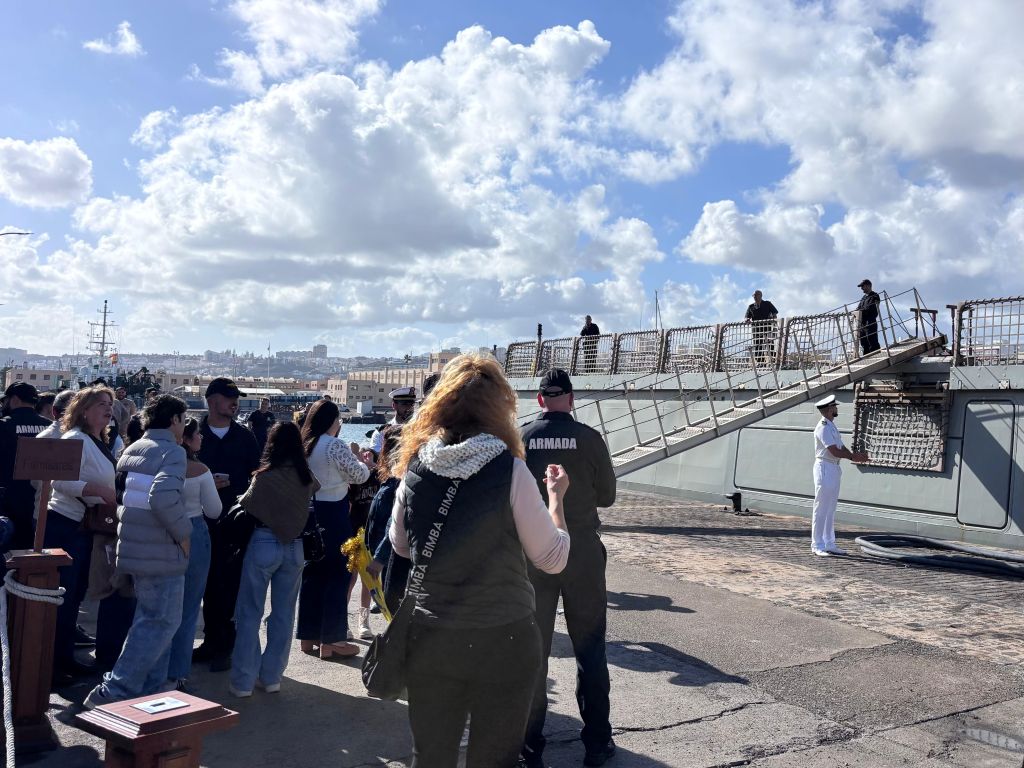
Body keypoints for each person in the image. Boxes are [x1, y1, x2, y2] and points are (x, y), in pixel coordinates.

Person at [389, 353, 571, 767]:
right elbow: (552, 558)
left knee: (430, 756)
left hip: (433, 637)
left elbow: (400, 545)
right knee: (494, 759)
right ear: (499, 408)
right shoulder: (510, 470)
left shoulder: (416, 467)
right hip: (502, 636)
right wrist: (557, 501)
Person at [520, 369, 618, 768]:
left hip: (533, 553)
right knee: (590, 647)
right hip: (581, 553)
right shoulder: (591, 438)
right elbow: (608, 497)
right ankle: (597, 743)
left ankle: (530, 748)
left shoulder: (522, 438)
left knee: (532, 651)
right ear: (572, 399)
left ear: (540, 400)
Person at [85, 395, 192, 708]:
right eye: (183, 420)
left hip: (133, 547)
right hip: (160, 551)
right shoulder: (173, 452)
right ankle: (114, 690)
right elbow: (162, 497)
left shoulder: (132, 449)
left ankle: (151, 694)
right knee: (161, 624)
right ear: (174, 421)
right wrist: (184, 535)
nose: (184, 426)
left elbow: (126, 496)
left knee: (149, 622)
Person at [229, 422, 318, 697]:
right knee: (283, 615)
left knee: (249, 613)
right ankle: (272, 677)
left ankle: (243, 682)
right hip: (295, 548)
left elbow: (248, 504)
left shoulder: (264, 476)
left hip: (263, 543)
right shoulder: (306, 477)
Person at [41, 385, 117, 686]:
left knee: (74, 596)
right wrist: (98, 490)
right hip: (66, 525)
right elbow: (59, 480)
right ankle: (54, 665)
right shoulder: (75, 438)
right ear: (84, 410)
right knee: (63, 596)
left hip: (86, 526)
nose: (108, 408)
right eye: (101, 403)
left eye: (110, 403)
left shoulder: (98, 440)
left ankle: (64, 658)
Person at [194, 378, 261, 672]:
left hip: (235, 522)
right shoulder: (193, 434)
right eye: (229, 397)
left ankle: (226, 646)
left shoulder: (245, 437)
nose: (235, 402)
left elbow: (257, 474)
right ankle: (210, 641)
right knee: (205, 584)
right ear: (212, 400)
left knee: (231, 585)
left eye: (237, 397)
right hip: (199, 520)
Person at [298, 400, 372, 658]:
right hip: (334, 512)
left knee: (313, 573)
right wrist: (360, 459)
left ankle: (308, 636)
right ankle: (332, 640)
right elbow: (360, 476)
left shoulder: (304, 444)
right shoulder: (334, 445)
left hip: (310, 512)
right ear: (332, 421)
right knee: (338, 574)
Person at [166, 418, 222, 691]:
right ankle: (177, 672)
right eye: (198, 434)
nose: (202, 437)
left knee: (163, 606)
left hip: (163, 533)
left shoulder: (163, 464)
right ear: (187, 439)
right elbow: (214, 510)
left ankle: (158, 666)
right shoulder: (200, 470)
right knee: (189, 608)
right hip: (194, 531)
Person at [811, 395, 868, 557]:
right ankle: (817, 545)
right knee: (821, 508)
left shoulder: (831, 426)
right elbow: (833, 450)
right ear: (830, 409)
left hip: (834, 468)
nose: (836, 409)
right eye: (835, 407)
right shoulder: (822, 427)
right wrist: (852, 457)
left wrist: (855, 456)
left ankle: (829, 543)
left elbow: (841, 447)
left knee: (830, 508)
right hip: (824, 467)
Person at [0, 382, 52, 550]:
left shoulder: (3, 425)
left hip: (9, 497)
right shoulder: (48, 426)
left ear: (14, 400)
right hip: (41, 497)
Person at [369, 386, 417, 457]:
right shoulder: (381, 433)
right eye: (405, 404)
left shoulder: (420, 429)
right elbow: (377, 458)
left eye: (412, 404)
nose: (409, 408)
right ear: (394, 405)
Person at [744, 290, 780, 368]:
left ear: (760, 295)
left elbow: (775, 312)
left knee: (770, 344)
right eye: (753, 295)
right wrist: (747, 319)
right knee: (757, 345)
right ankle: (761, 362)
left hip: (767, 327)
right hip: (756, 329)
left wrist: (773, 318)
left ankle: (772, 361)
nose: (754, 297)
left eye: (756, 295)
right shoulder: (751, 306)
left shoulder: (767, 304)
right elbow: (747, 316)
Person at [856, 279, 881, 354]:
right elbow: (858, 308)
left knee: (872, 341)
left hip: (870, 322)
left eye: (863, 286)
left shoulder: (874, 296)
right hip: (862, 323)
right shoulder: (864, 298)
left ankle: (876, 356)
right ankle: (866, 357)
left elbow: (870, 308)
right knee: (863, 342)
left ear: (869, 286)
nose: (862, 288)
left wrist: (861, 311)